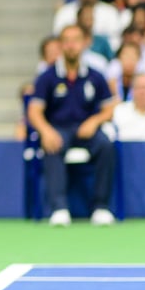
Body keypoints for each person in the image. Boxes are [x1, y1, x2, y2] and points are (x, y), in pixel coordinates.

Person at [27, 24, 118, 227]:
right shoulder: (47, 77)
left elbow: (110, 107)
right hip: (58, 128)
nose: (71, 45)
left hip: (87, 128)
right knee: (51, 144)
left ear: (84, 43)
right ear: (60, 45)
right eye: (66, 41)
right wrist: (45, 131)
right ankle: (59, 208)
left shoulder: (95, 75)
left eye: (75, 40)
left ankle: (101, 207)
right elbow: (34, 110)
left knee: (106, 145)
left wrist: (94, 121)